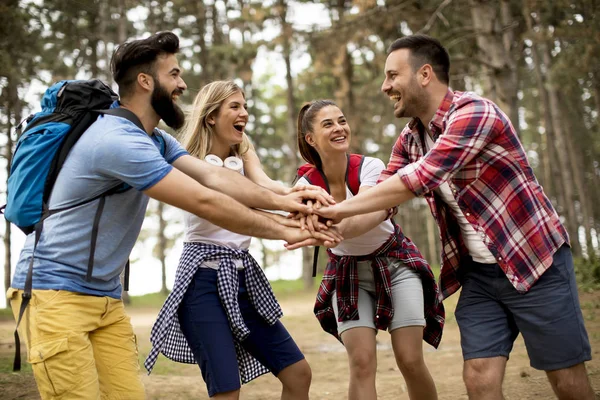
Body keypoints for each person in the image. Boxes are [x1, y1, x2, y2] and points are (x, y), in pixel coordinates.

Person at [7, 32, 339, 400]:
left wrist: (292, 203)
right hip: (55, 293)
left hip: (105, 299)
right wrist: (285, 229)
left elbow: (215, 179)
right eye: (174, 74)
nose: (182, 84)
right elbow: (205, 202)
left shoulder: (157, 140)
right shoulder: (118, 140)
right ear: (147, 82)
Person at [314, 34, 595, 400]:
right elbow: (378, 200)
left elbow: (419, 178)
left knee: (568, 382)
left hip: (535, 263)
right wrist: (326, 228)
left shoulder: (475, 113)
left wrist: (334, 210)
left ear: (425, 74)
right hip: (480, 275)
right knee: (478, 377)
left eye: (392, 76)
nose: (385, 87)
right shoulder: (410, 138)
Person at [145, 81, 336, 400]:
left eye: (245, 106)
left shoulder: (243, 150)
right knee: (227, 391)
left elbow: (263, 184)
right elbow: (225, 196)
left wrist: (294, 194)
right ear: (210, 116)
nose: (244, 113)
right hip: (202, 282)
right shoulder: (190, 161)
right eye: (234, 106)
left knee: (298, 374)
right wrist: (285, 210)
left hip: (242, 277)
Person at [287, 99, 444, 400]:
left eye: (341, 120)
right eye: (328, 124)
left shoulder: (370, 167)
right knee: (361, 363)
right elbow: (298, 224)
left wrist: (329, 229)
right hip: (348, 272)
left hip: (395, 264)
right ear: (310, 138)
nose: (339, 128)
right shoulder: (306, 184)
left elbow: (369, 214)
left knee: (409, 359)